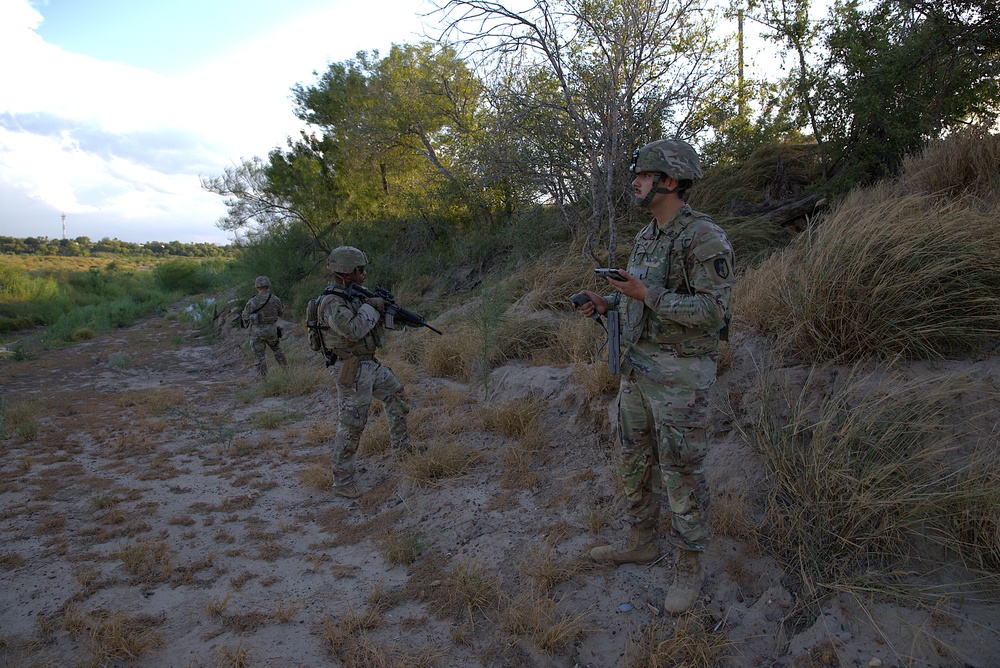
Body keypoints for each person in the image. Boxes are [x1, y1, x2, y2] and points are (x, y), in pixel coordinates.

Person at [574, 139, 734, 614]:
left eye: (643, 175)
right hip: (639, 372)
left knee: (682, 471)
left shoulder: (704, 236)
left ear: (670, 181)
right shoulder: (648, 236)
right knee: (633, 461)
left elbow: (714, 312)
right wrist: (608, 303)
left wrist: (648, 294)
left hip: (681, 379)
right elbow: (639, 298)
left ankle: (689, 566)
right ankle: (642, 540)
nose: (635, 182)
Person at [317, 246, 414, 499]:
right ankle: (342, 482)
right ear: (346, 272)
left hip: (369, 364)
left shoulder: (355, 296)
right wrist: (372, 307)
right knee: (352, 426)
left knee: (396, 395)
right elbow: (352, 330)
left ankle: (402, 449)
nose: (364, 274)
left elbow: (373, 322)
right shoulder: (331, 302)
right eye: (360, 270)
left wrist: (394, 315)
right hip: (352, 369)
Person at [241, 276, 287, 377]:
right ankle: (286, 371)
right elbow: (281, 312)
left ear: (257, 287)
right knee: (277, 350)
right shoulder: (275, 299)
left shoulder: (252, 301)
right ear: (268, 285)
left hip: (257, 332)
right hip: (272, 331)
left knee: (260, 356)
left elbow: (245, 317)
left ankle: (263, 378)